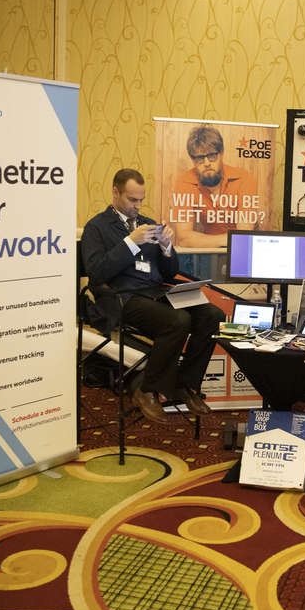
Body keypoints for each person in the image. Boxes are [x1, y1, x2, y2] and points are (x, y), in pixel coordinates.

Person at [82, 169, 224, 424]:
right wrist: (130, 243)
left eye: (141, 200)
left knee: (213, 314)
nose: (137, 206)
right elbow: (96, 273)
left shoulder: (149, 223)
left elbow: (169, 272)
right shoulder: (97, 227)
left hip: (156, 293)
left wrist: (167, 247)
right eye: (132, 200)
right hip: (122, 297)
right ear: (115, 192)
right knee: (178, 320)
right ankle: (146, 390)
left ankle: (184, 384)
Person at [171, 125, 259, 248]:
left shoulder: (243, 179)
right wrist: (227, 240)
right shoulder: (185, 182)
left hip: (241, 250)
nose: (207, 163)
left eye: (212, 156)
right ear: (193, 160)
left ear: (221, 153)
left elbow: (243, 237)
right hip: (208, 251)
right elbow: (184, 239)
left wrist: (201, 240)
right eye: (200, 158)